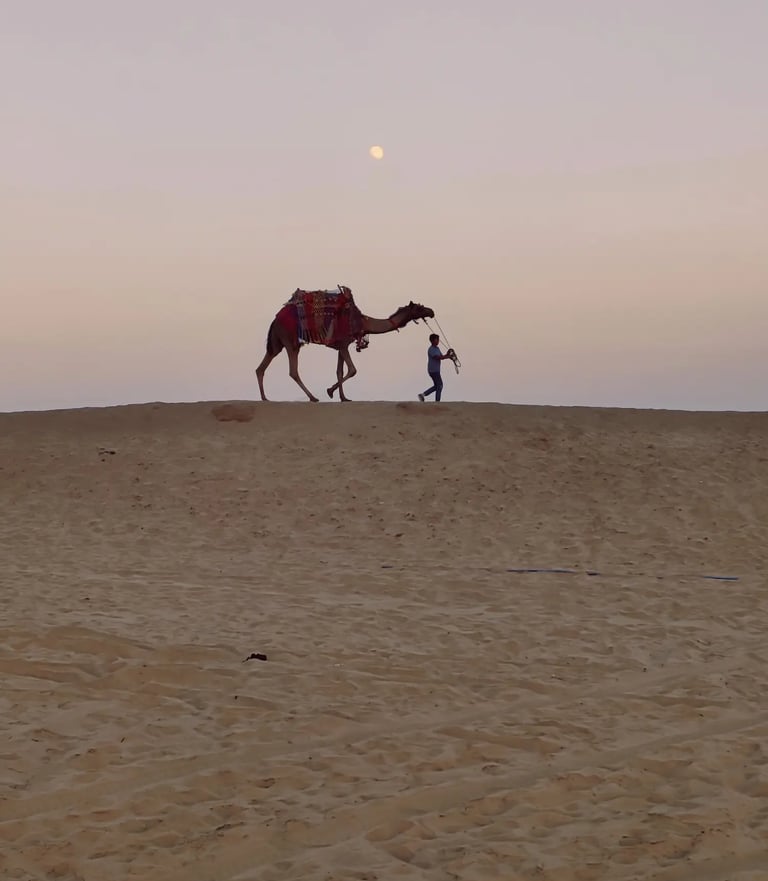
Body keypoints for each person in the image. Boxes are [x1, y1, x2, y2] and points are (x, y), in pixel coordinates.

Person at [418, 333, 454, 402]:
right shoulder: (431, 349)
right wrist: (448, 356)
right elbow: (438, 357)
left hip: (436, 370)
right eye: (437, 339)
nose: (438, 341)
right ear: (433, 340)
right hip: (433, 370)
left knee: (437, 386)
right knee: (440, 385)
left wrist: (448, 355)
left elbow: (442, 356)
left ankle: (422, 395)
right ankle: (437, 402)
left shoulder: (437, 348)